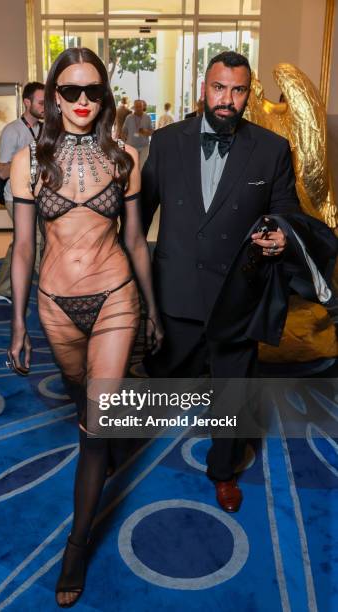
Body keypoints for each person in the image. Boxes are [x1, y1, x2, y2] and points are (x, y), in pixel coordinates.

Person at [8, 47, 163, 607]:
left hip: (116, 299)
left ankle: (76, 546)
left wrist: (153, 310)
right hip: (55, 305)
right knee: (85, 402)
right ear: (52, 95)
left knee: (95, 426)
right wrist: (17, 324)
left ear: (104, 98)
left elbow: (135, 242)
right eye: (69, 91)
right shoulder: (29, 162)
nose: (80, 102)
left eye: (91, 91)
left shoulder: (125, 159)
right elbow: (23, 247)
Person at [141, 51, 301, 513]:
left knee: (232, 388)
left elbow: (286, 212)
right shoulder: (167, 140)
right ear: (203, 89)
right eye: (219, 88)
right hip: (176, 289)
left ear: (249, 94)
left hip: (237, 293)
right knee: (159, 379)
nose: (227, 99)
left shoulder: (271, 149)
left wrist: (280, 237)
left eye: (237, 90)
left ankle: (224, 471)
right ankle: (119, 449)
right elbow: (143, 211)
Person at [0, 81, 45, 304]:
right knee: (34, 239)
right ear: (27, 102)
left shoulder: (42, 128)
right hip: (15, 197)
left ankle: (4, 288)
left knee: (23, 241)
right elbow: (2, 171)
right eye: (42, 103)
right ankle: (50, 288)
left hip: (37, 195)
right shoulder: (12, 131)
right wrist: (25, 162)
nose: (46, 106)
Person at [121, 99, 153, 169]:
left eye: (140, 106)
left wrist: (145, 132)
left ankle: (141, 179)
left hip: (144, 147)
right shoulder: (129, 118)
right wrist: (124, 143)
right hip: (131, 147)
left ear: (143, 107)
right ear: (134, 107)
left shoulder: (147, 117)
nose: (138, 108)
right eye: (137, 107)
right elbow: (123, 131)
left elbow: (152, 132)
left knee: (142, 167)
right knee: (132, 167)